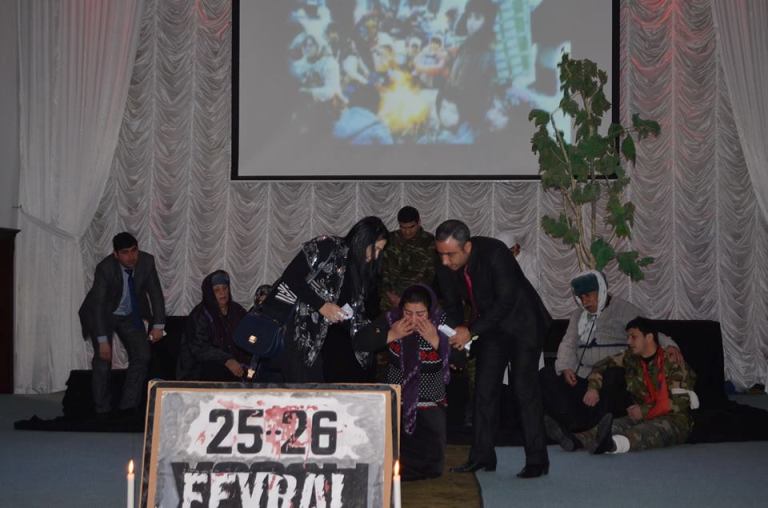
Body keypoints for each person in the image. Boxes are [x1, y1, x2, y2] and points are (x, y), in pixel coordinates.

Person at [434, 220, 551, 478]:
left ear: (467, 247)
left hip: (523, 323)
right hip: (491, 326)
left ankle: (537, 460)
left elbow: (506, 300)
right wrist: (457, 335)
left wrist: (471, 330)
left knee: (524, 389)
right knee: (484, 389)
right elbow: (452, 305)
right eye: (441, 253)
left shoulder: (495, 252)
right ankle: (482, 456)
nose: (444, 261)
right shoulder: (444, 261)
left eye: (450, 254)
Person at [539, 270, 683, 432]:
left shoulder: (624, 309)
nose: (585, 302)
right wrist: (566, 368)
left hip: (609, 374)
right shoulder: (578, 315)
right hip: (582, 374)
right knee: (546, 375)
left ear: (601, 290)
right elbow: (568, 342)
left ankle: (592, 429)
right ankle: (574, 425)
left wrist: (670, 345)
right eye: (581, 298)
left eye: (588, 296)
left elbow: (647, 332)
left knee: (614, 374)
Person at [260, 216, 389, 383]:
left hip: (320, 348)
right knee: (303, 391)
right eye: (375, 249)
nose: (375, 256)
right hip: (294, 333)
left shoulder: (359, 273)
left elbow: (355, 314)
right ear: (362, 240)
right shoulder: (327, 246)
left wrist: (381, 334)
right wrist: (321, 305)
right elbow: (291, 277)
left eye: (380, 251)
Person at [546, 317, 697, 454]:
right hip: (642, 415)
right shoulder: (630, 358)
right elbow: (601, 365)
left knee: (643, 432)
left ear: (649, 337)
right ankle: (575, 440)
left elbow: (679, 402)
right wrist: (593, 388)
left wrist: (644, 411)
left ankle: (612, 445)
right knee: (613, 426)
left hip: (675, 419)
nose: (629, 342)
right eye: (628, 337)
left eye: (634, 337)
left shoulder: (673, 362)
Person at [354, 285, 451, 480]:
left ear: (430, 310)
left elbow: (463, 356)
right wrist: (391, 335)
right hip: (397, 399)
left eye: (420, 314)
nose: (413, 319)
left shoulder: (441, 322)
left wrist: (437, 341)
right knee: (393, 462)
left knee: (432, 468)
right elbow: (360, 341)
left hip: (430, 401)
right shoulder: (392, 319)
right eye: (408, 313)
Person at [78, 232, 165, 417]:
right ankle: (102, 411)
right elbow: (98, 306)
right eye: (125, 253)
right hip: (103, 314)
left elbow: (155, 293)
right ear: (116, 254)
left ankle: (128, 408)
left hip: (129, 314)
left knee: (142, 355)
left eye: (134, 251)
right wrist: (102, 341)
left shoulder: (147, 262)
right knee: (103, 360)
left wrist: (158, 325)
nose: (131, 256)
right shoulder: (105, 268)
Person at [177, 270, 249, 381]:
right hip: (201, 371)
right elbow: (200, 349)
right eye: (217, 290)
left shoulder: (237, 310)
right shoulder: (200, 314)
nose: (222, 293)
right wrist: (226, 360)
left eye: (225, 288)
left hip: (232, 367)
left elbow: (248, 337)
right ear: (209, 293)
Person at [379, 206, 437, 311]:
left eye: (411, 227)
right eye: (403, 227)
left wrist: (409, 297)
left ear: (419, 222)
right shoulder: (390, 239)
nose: (407, 232)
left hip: (416, 300)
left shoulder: (428, 241)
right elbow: (382, 269)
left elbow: (430, 274)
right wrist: (389, 294)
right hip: (388, 299)